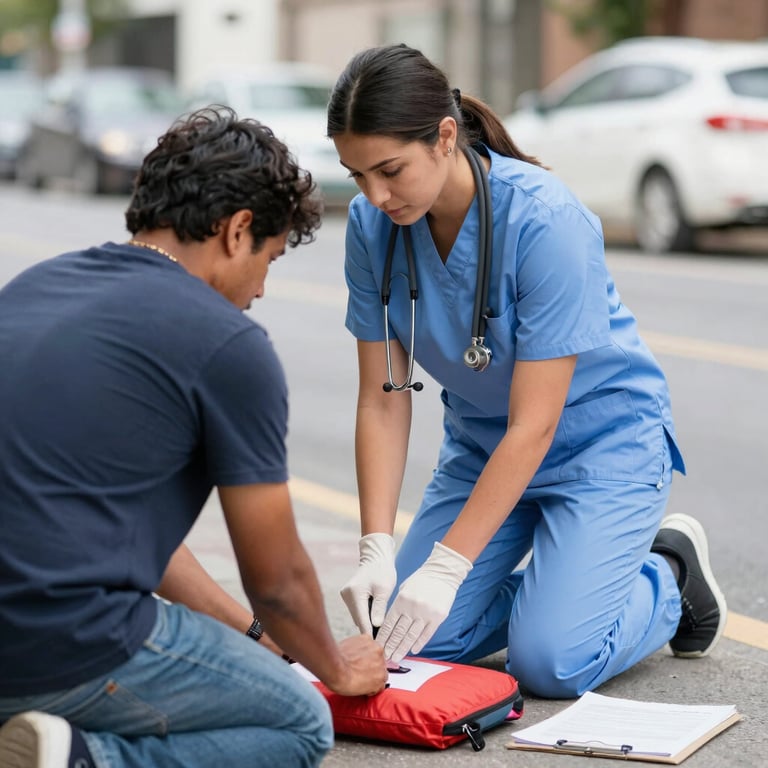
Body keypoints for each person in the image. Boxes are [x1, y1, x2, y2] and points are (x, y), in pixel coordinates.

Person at [326, 44, 727, 699]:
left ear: (445, 137)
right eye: (356, 173)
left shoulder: (546, 219)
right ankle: (565, 588)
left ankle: (668, 574)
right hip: (483, 449)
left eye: (390, 170)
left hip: (600, 445)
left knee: (550, 663)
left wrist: (450, 565)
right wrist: (376, 547)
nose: (374, 195)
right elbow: (382, 398)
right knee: (411, 642)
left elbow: (535, 423)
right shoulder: (373, 227)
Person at [0, 106, 387, 768]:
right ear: (237, 231)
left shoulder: (36, 287)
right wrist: (335, 669)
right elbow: (279, 579)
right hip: (57, 645)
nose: (260, 289)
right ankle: (83, 760)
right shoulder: (226, 343)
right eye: (267, 258)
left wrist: (260, 640)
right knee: (300, 721)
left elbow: (133, 538)